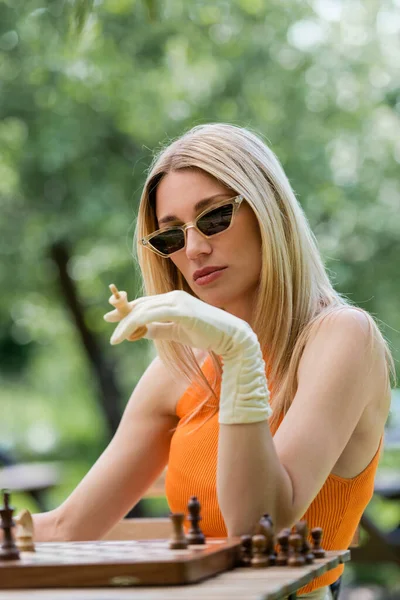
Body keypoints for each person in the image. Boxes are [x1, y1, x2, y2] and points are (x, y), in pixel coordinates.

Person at [33, 123, 394, 599]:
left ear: (269, 210)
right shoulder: (177, 370)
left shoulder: (340, 338)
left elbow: (259, 523)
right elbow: (66, 527)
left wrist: (239, 353)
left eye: (215, 217)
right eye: (169, 237)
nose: (194, 248)